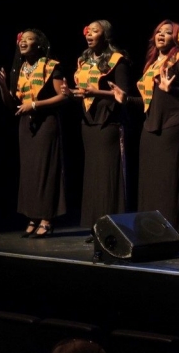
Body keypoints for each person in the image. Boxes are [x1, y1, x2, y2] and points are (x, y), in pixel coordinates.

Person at [110, 20, 179, 239]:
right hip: (151, 127)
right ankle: (151, 230)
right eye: (159, 31)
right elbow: (148, 101)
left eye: (167, 32)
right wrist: (126, 99)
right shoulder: (152, 64)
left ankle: (176, 231)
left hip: (173, 125)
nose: (161, 35)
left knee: (169, 182)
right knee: (151, 182)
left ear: (177, 37)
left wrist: (174, 89)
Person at [0, 28, 67, 238]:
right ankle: (33, 215)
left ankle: (46, 218)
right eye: (21, 40)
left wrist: (34, 104)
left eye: (29, 39)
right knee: (30, 172)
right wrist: (2, 85)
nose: (23, 42)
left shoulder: (51, 66)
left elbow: (63, 96)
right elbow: (12, 104)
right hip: (26, 125)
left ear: (39, 44)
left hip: (46, 123)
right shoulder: (20, 69)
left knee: (45, 170)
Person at [61, 20, 133, 243]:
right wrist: (71, 93)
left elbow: (123, 94)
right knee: (93, 176)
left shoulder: (117, 60)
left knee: (108, 176)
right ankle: (96, 227)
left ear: (106, 35)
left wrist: (97, 92)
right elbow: (84, 92)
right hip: (89, 122)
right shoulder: (84, 60)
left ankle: (113, 226)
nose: (89, 34)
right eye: (88, 31)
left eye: (95, 31)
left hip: (108, 122)